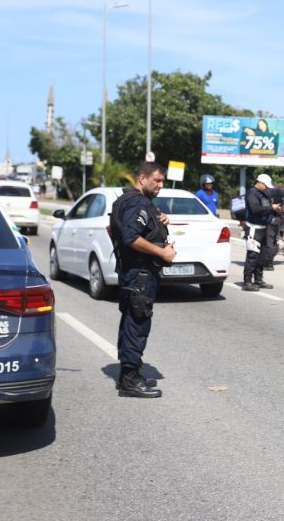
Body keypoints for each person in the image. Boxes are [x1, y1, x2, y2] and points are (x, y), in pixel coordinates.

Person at [110, 161, 176, 398]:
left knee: (131, 323)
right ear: (142, 178)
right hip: (140, 275)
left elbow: (125, 230)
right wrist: (161, 252)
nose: (161, 185)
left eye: (163, 181)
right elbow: (130, 237)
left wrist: (159, 222)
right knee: (137, 325)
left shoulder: (130, 201)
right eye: (157, 180)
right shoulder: (136, 202)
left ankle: (129, 375)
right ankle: (129, 380)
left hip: (134, 273)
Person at [241, 173, 281, 291]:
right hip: (253, 228)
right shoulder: (252, 193)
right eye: (266, 185)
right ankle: (247, 281)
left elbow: (265, 208)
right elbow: (255, 208)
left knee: (262, 255)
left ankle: (258, 280)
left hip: (263, 228)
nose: (267, 188)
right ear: (260, 183)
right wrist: (271, 208)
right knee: (252, 255)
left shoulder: (263, 193)